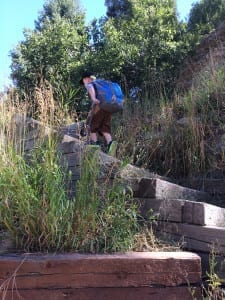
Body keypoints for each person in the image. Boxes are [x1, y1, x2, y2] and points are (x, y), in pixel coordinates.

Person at [80, 71, 117, 154]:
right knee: (104, 127)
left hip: (99, 106)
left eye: (83, 81)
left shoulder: (90, 84)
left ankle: (94, 145)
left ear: (86, 79)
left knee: (91, 124)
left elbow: (90, 88)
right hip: (109, 107)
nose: (84, 83)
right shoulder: (102, 84)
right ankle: (110, 144)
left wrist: (93, 98)